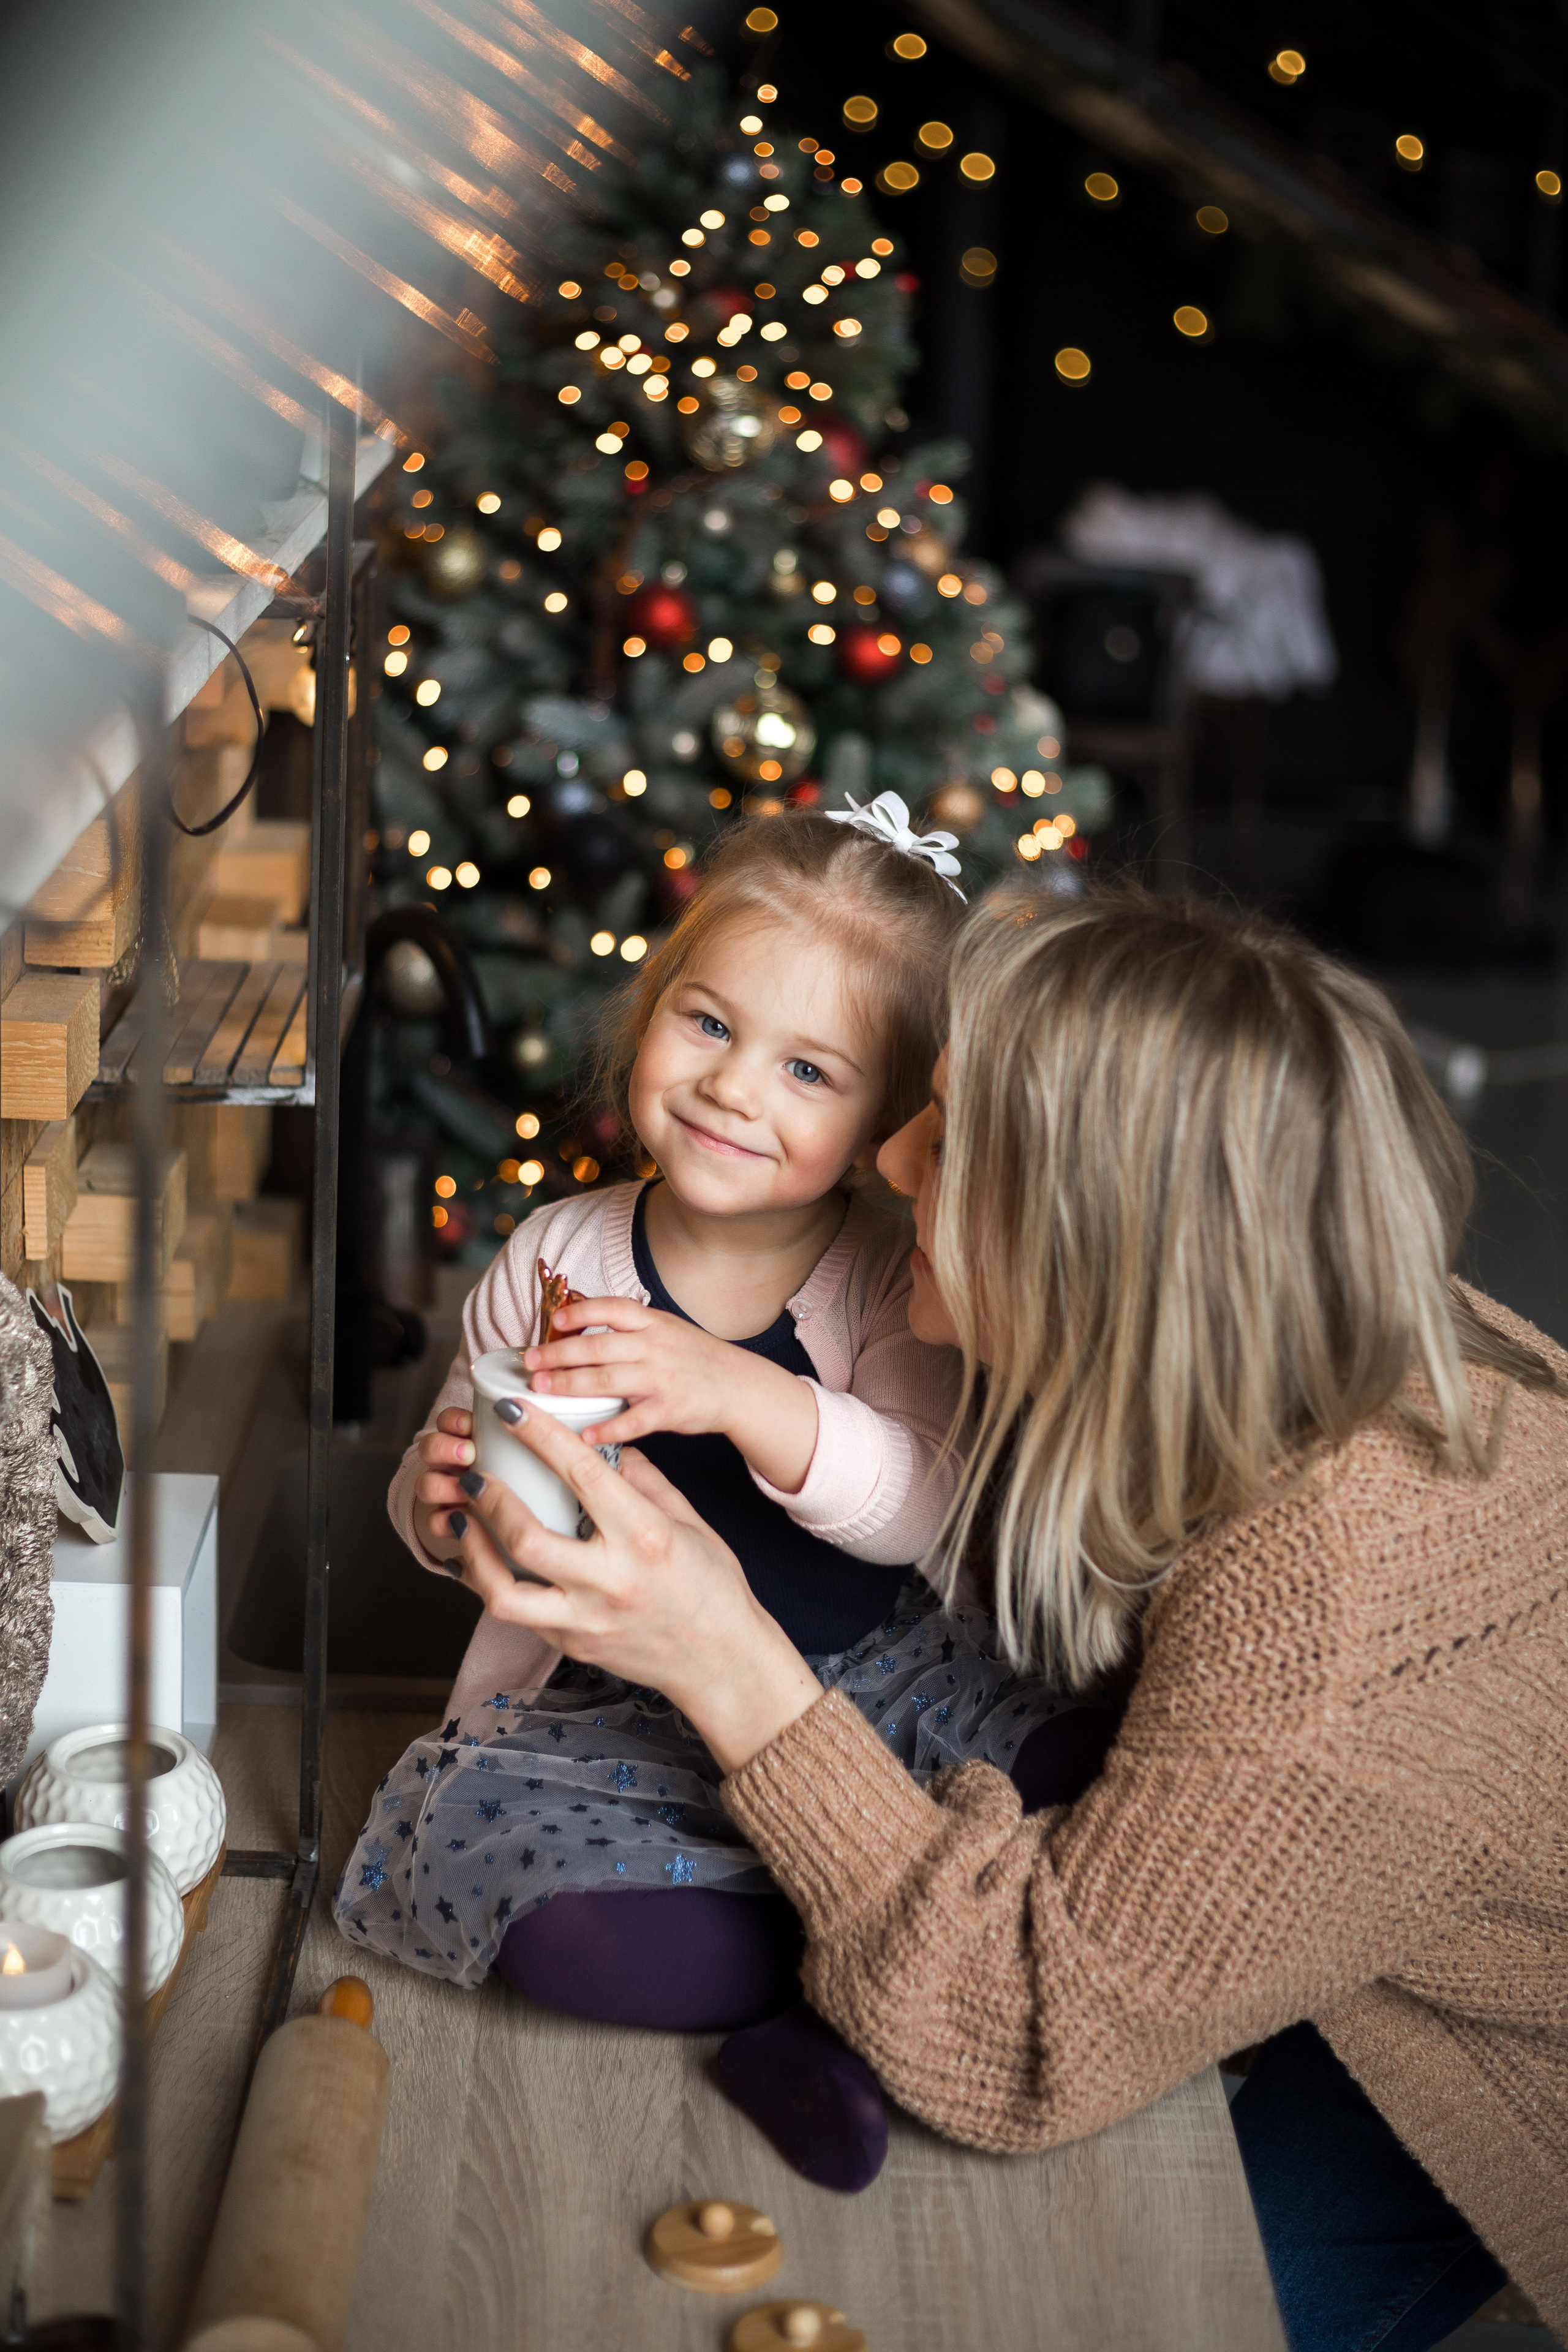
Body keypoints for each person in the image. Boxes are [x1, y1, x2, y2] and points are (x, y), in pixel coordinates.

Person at [421, 887, 1568, 2352]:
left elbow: (1016, 2043)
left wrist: (723, 1656)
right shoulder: (1286, 1325)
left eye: (950, 1139)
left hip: (1494, 2058)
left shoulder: (1326, 1637)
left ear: (1096, 1240)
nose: (893, 1157)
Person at [336, 799, 1084, 2190]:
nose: (734, 1087)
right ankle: (845, 1998)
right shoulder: (558, 1252)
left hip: (870, 1691)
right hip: (614, 1724)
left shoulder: (886, 1276)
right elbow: (469, 1471)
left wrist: (737, 1390)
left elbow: (922, 1505)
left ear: (887, 1123)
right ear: (650, 1015)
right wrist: (435, 1509)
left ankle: (862, 1979)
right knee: (562, 1932)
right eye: (709, 1023)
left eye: (808, 1070)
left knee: (1075, 1770)